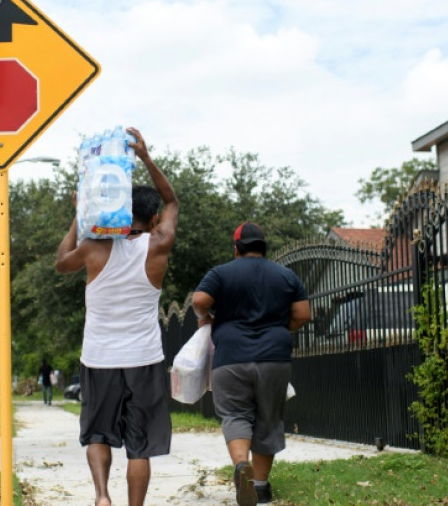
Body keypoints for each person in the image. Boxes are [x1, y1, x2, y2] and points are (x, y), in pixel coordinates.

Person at [55, 126, 179, 506]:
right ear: (153, 217)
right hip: (143, 359)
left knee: (97, 433)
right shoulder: (159, 245)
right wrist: (144, 156)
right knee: (139, 446)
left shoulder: (93, 248)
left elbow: (61, 264)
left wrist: (81, 215)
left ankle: (102, 496)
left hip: (99, 357)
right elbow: (173, 201)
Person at [191, 222, 311, 506]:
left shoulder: (220, 273)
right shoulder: (286, 275)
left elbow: (199, 300)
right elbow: (303, 315)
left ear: (236, 249)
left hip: (231, 358)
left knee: (235, 415)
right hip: (274, 358)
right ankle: (260, 486)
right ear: (263, 247)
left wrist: (204, 317)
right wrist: (280, 329)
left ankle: (241, 465)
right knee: (268, 418)